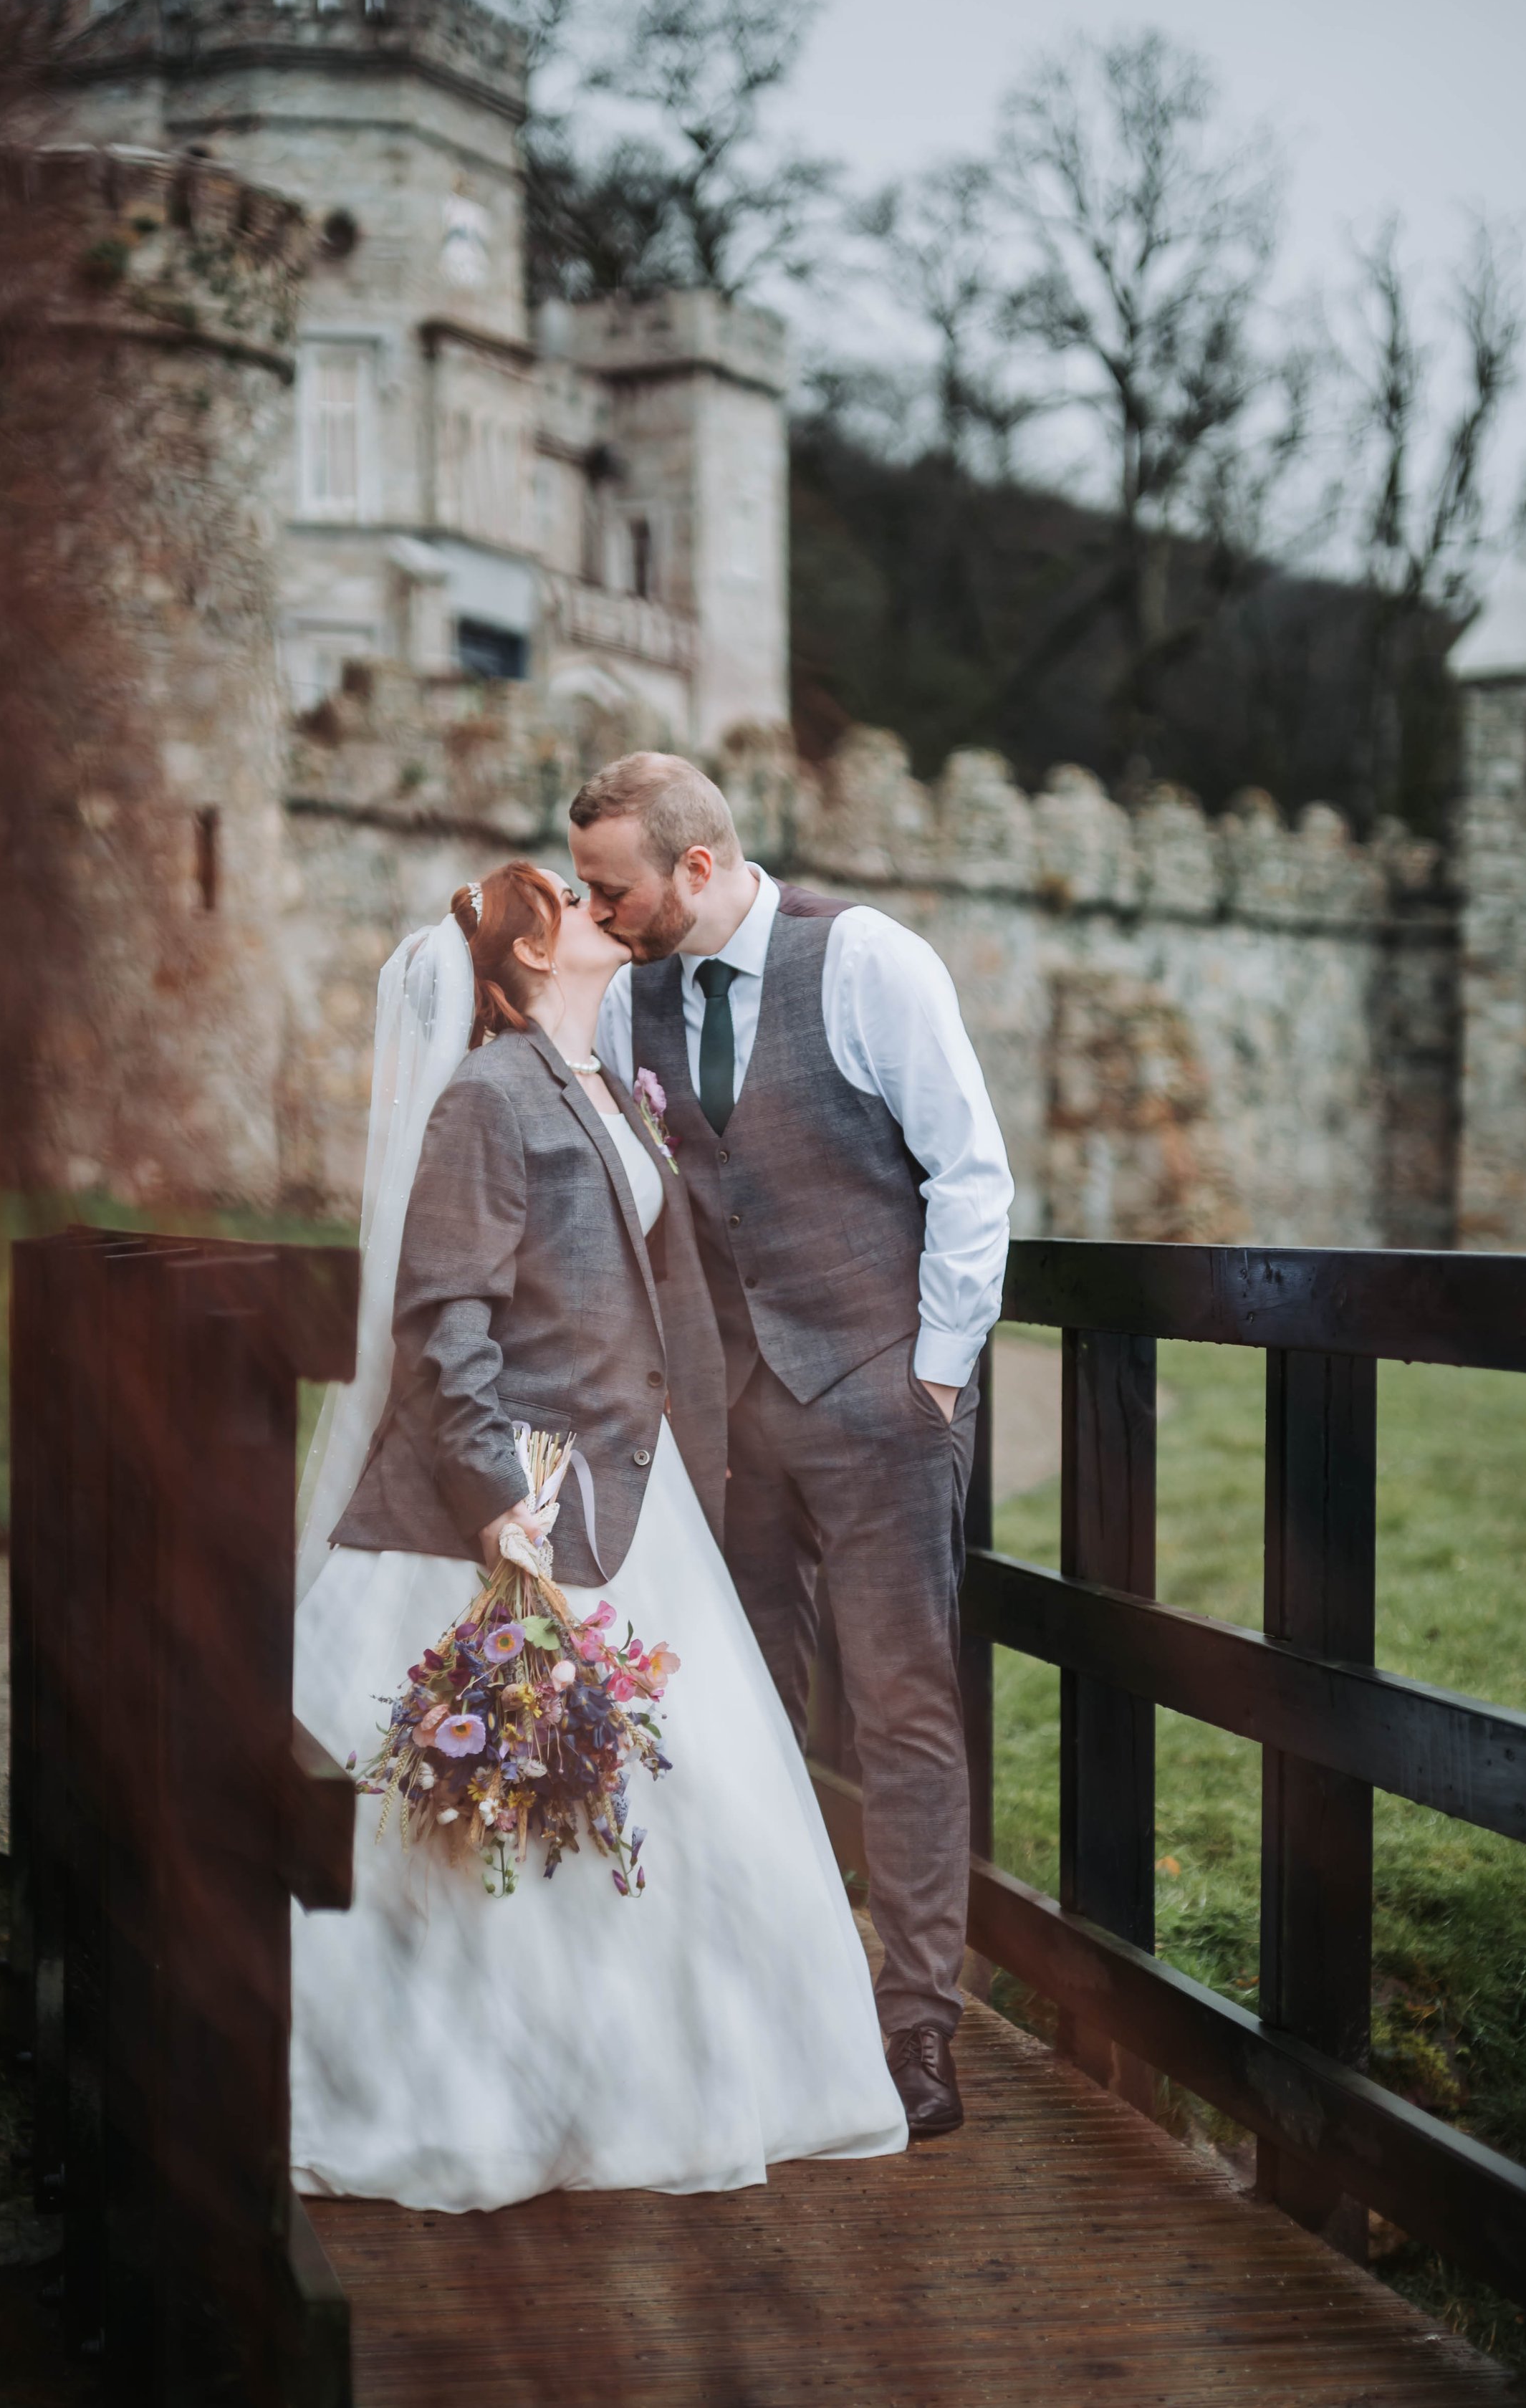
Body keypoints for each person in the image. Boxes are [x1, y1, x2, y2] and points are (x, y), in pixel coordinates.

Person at [289, 860, 906, 2212]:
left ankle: (661, 2074)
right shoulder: (484, 1098)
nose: (598, 904)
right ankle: (482, 2088)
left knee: (698, 1810)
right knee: (468, 1822)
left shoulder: (595, 1083)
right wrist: (496, 1491)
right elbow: (442, 1313)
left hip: (628, 1502)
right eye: (568, 897)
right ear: (522, 957)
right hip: (510, 1505)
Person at [572, 754, 1013, 2139]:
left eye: (613, 884)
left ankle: (918, 2024)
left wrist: (934, 1377)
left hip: (884, 1397)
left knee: (904, 1709)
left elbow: (972, 1172)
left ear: (694, 869)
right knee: (741, 1705)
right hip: (729, 1421)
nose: (597, 909)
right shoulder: (625, 998)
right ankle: (769, 2002)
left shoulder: (869, 960)